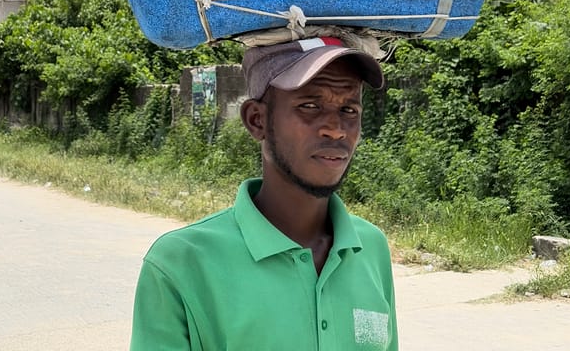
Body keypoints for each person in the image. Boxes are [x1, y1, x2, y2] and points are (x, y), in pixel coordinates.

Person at [129, 37, 399, 350]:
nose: (336, 128)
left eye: (349, 109)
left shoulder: (371, 248)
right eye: (309, 106)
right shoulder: (181, 264)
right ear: (257, 120)